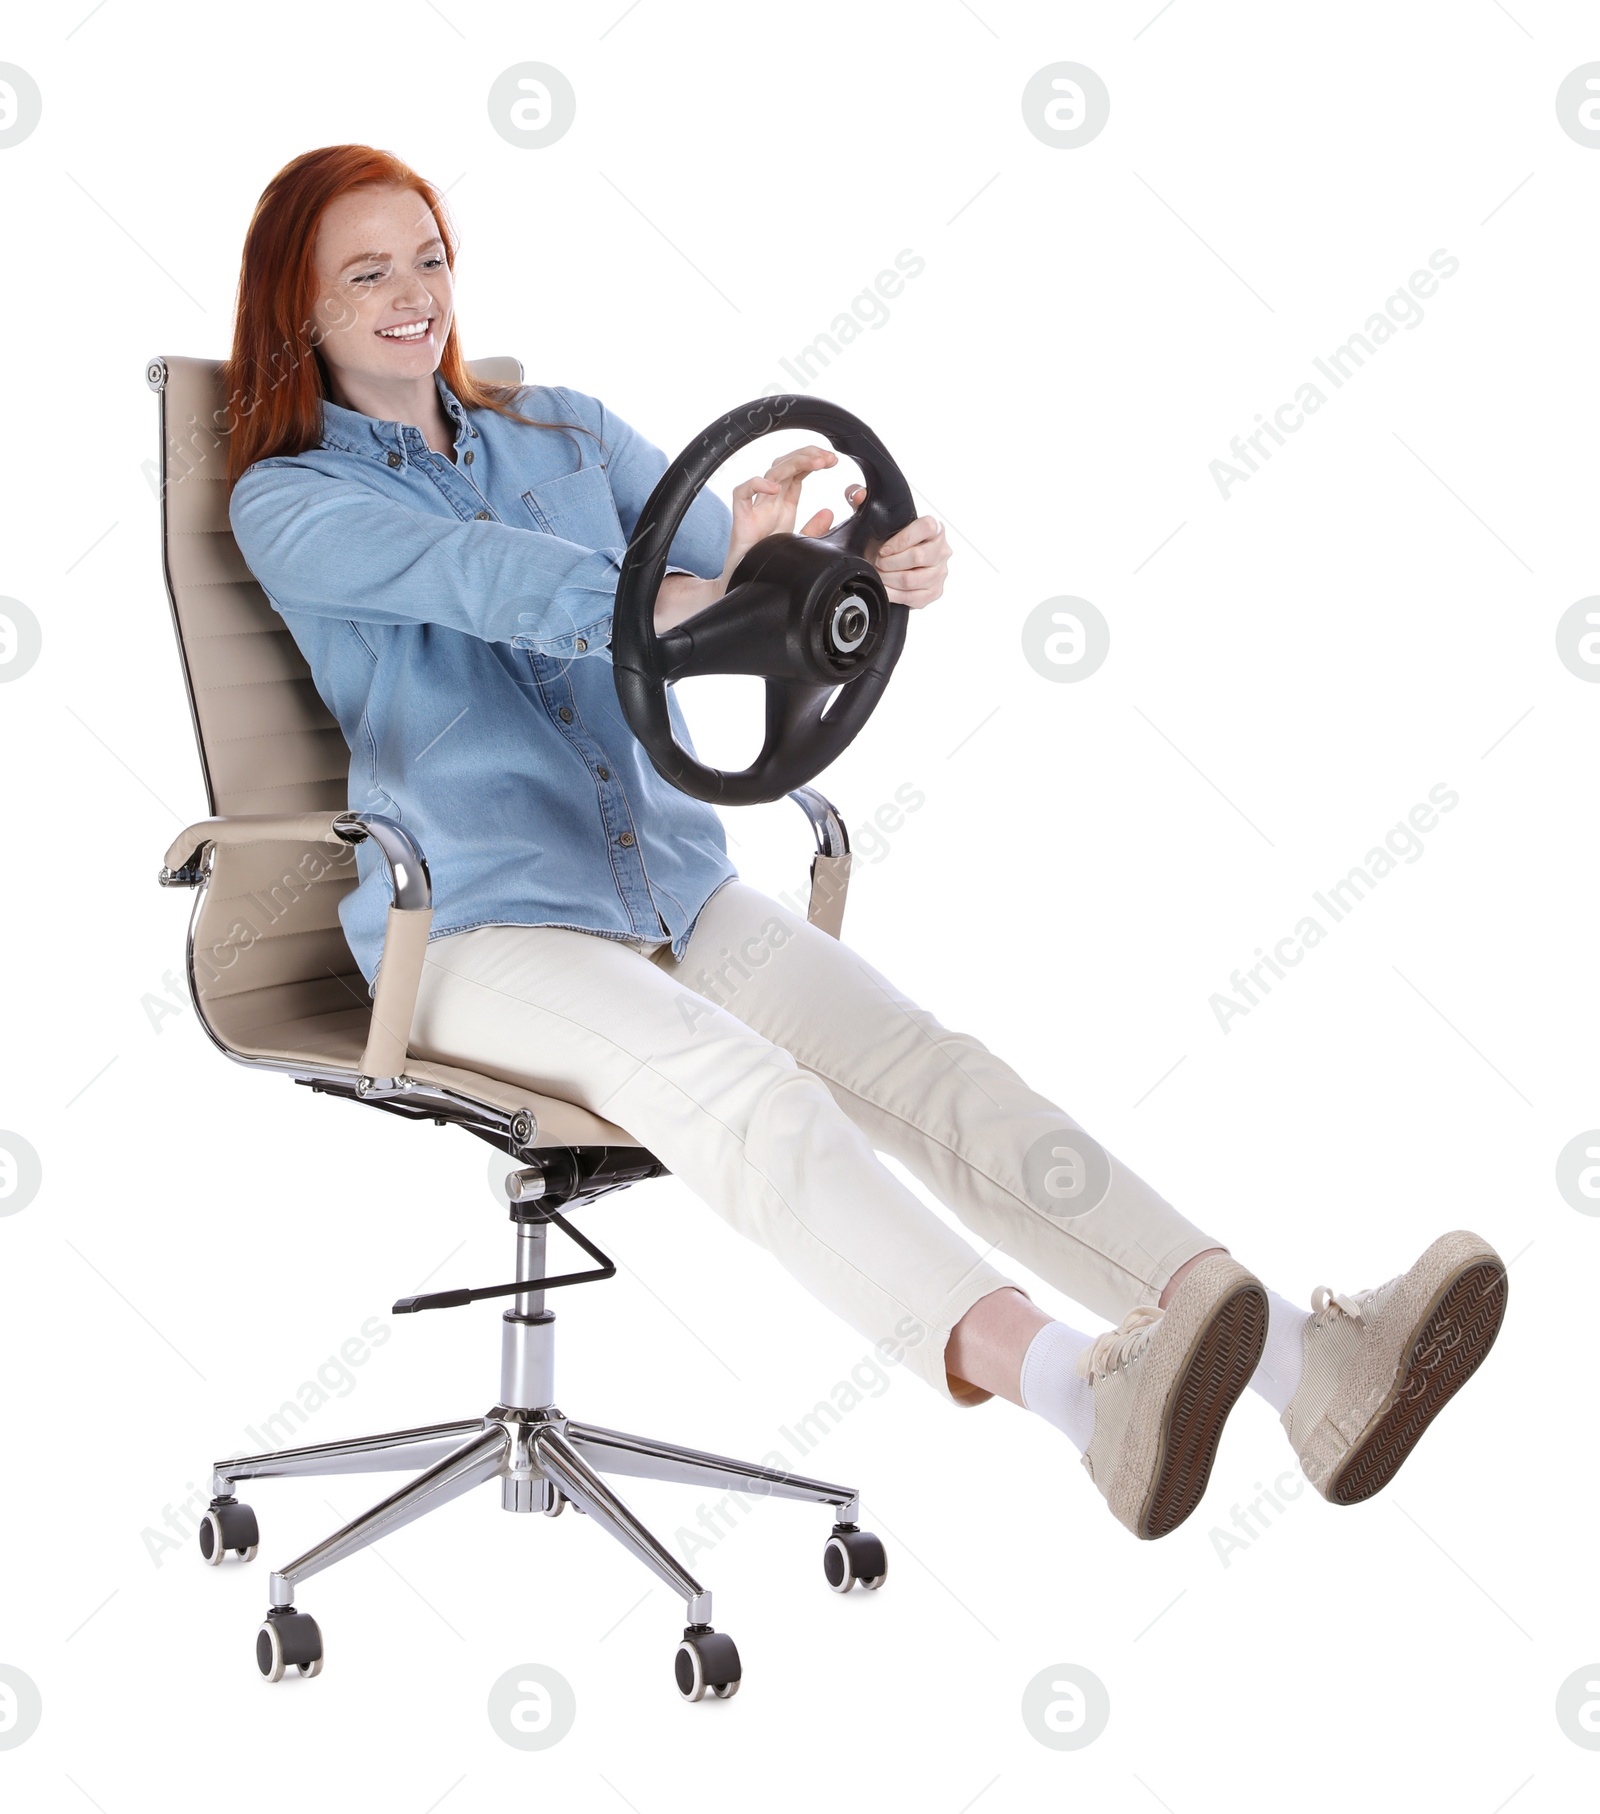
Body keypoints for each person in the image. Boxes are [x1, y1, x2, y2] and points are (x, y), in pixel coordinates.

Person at [223, 144, 1508, 1542]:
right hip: (469, 924)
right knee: (751, 1089)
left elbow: (738, 575)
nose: (415, 293)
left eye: (429, 256)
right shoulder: (288, 503)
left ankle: (1311, 1373)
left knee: (927, 1065)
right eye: (368, 273)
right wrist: (699, 587)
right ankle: (1084, 1394)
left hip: (662, 876)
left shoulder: (568, 435)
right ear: (300, 313)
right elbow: (515, 587)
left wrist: (845, 564)